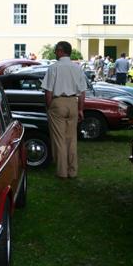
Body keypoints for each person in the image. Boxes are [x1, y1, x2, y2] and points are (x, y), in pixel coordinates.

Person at [41, 41, 88, 178]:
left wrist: (49, 107)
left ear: (61, 51)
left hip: (58, 102)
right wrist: (80, 109)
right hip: (73, 102)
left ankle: (62, 171)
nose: (55, 52)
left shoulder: (54, 68)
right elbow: (82, 92)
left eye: (56, 50)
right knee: (72, 139)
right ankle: (72, 171)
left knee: (59, 139)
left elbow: (48, 91)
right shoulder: (77, 68)